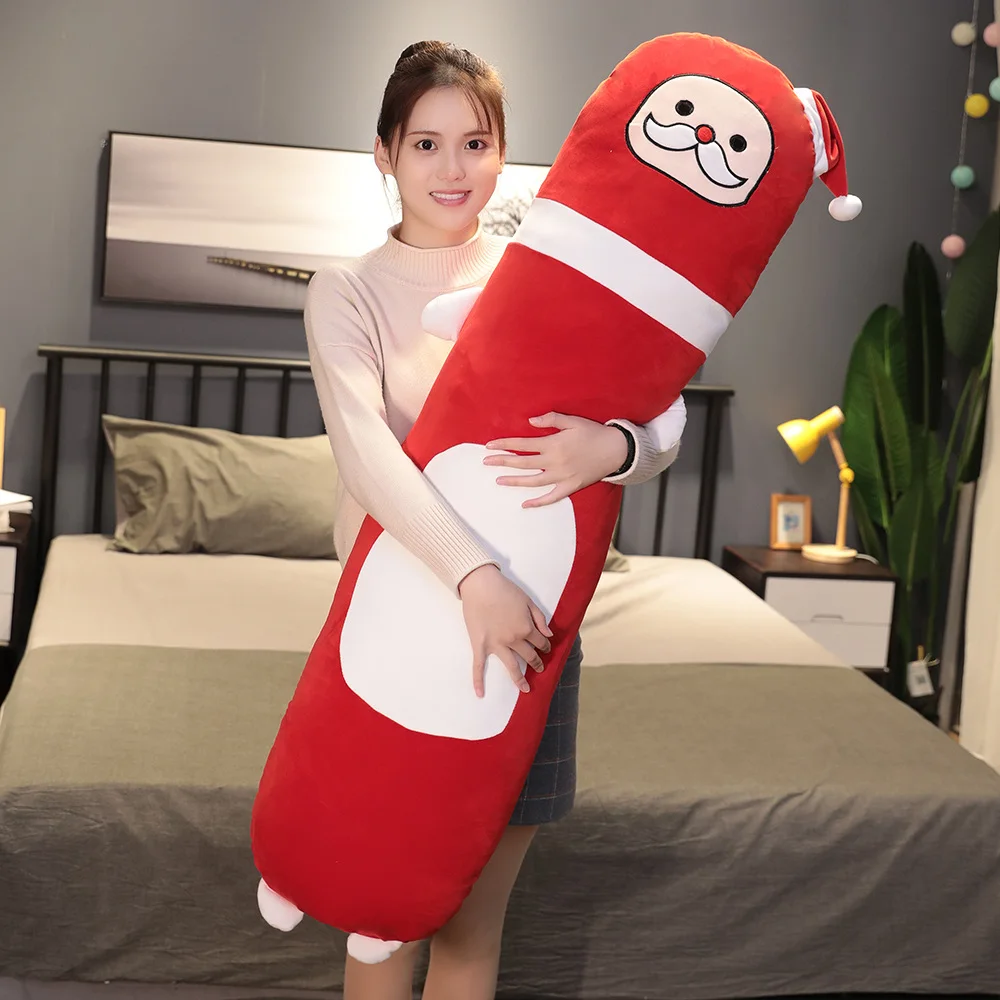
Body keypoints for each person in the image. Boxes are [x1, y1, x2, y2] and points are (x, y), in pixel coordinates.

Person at [304, 39, 685, 1000]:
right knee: (384, 920)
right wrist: (475, 578)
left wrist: (613, 447)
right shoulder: (346, 292)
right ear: (385, 153)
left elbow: (661, 413)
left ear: (503, 153)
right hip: (399, 627)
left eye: (475, 144)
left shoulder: (540, 274)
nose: (453, 168)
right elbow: (368, 457)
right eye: (425, 144)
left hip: (534, 631)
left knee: (474, 923)